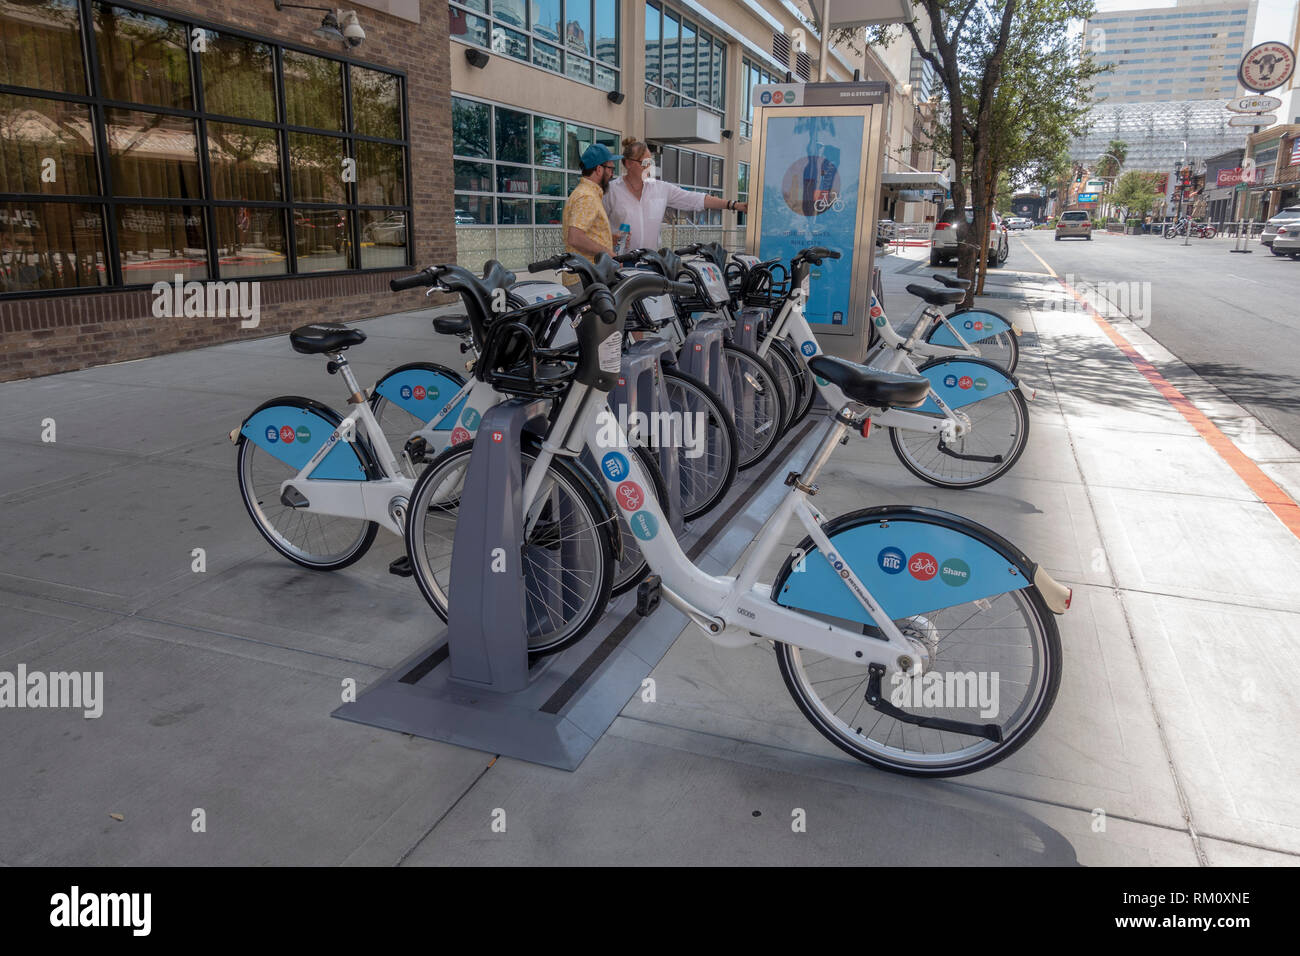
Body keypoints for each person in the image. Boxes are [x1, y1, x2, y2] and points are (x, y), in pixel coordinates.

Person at [604, 137, 747, 253]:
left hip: (651, 263)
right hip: (619, 263)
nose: (649, 167)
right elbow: (595, 227)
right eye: (645, 163)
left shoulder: (660, 189)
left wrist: (733, 205)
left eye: (651, 162)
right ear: (628, 163)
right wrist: (609, 238)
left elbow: (695, 199)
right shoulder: (611, 191)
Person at [560, 143, 618, 285]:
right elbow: (575, 238)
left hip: (586, 276)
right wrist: (607, 252)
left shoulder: (586, 193)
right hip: (586, 278)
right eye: (611, 168)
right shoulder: (587, 197)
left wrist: (609, 239)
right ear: (599, 169)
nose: (612, 174)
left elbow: (582, 234)